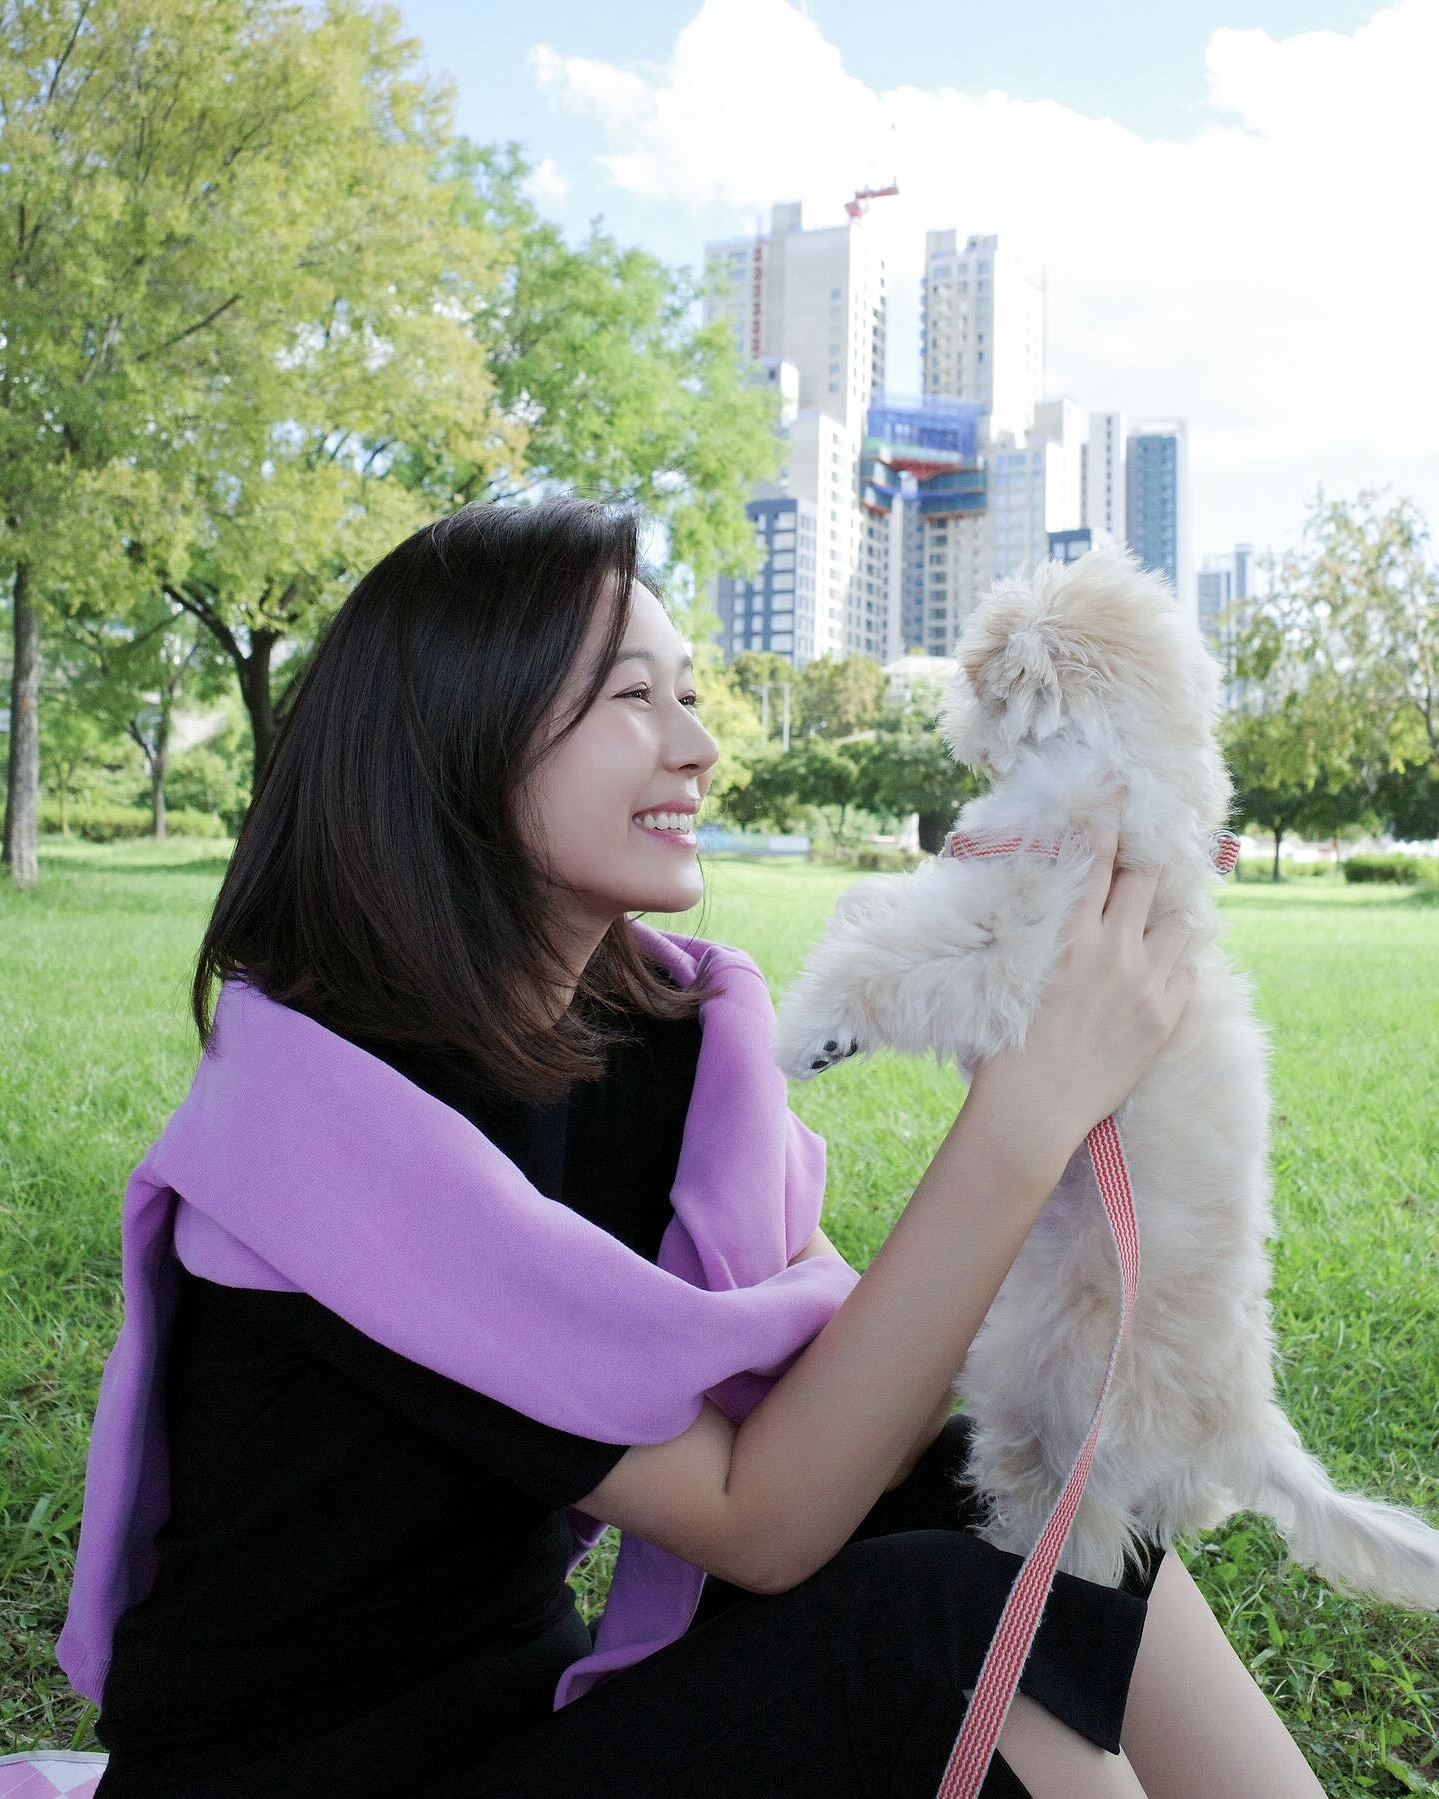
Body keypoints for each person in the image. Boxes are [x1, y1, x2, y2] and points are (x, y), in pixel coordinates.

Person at [86, 495, 1325, 1798]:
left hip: (527, 1718)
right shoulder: (329, 1136)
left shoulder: (657, 1039)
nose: (699, 746)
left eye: (688, 694)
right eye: (634, 700)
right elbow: (763, 1521)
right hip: (308, 1779)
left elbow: (853, 1397)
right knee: (931, 1631)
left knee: (1031, 1494)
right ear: (459, 732)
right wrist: (1023, 1117)